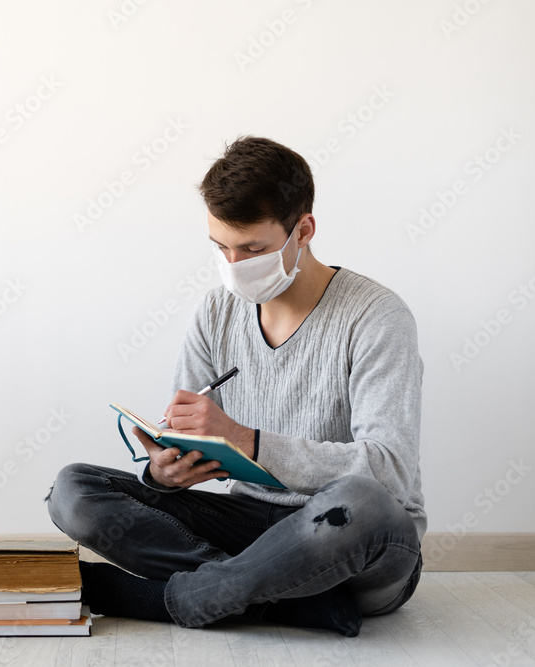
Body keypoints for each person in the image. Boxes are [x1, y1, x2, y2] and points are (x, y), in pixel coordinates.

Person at [46, 136, 425, 636]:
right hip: (247, 523)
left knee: (365, 502)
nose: (235, 263)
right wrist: (165, 471)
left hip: (346, 534)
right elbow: (189, 435)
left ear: (303, 229)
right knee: (74, 489)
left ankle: (177, 596)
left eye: (253, 249)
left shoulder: (377, 317)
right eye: (221, 247)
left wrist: (245, 439)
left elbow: (390, 473)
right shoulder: (216, 311)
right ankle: (276, 598)